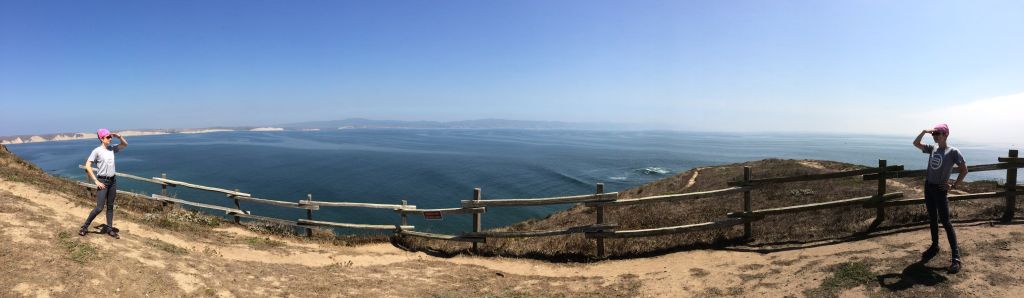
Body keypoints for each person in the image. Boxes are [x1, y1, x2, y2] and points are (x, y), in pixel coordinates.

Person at [912, 124, 967, 274]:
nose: (935, 136)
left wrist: (954, 185)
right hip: (928, 187)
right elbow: (916, 143)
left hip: (940, 190)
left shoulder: (953, 152)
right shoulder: (933, 148)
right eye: (934, 133)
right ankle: (935, 246)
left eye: (938, 133)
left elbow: (964, 170)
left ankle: (956, 258)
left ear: (946, 134)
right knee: (932, 218)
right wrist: (924, 131)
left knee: (946, 222)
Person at [79, 128, 128, 238]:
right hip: (102, 181)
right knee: (99, 208)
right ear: (101, 138)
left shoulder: (112, 149)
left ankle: (110, 229)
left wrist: (119, 136)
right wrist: (96, 181)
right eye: (108, 137)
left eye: (110, 137)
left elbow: (125, 144)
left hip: (112, 181)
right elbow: (88, 165)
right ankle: (84, 227)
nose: (110, 139)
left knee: (110, 206)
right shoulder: (96, 151)